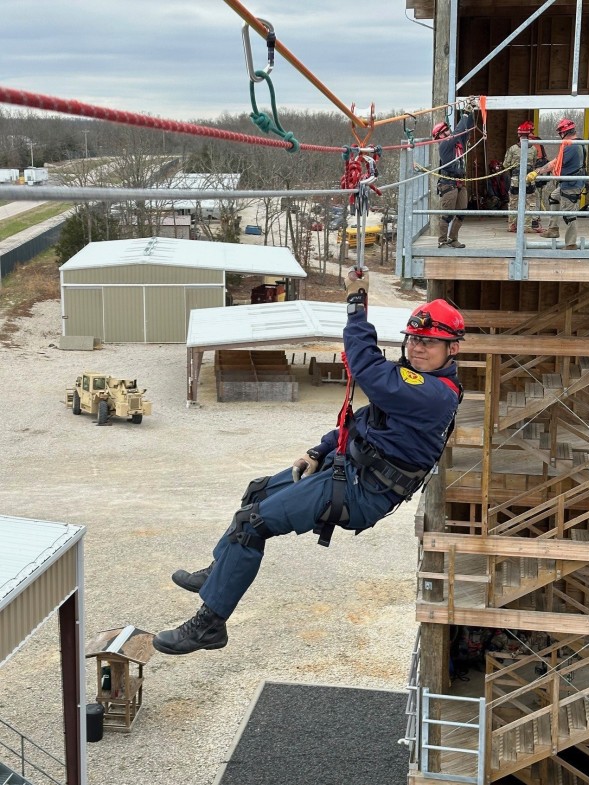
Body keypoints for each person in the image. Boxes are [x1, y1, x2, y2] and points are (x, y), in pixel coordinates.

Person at [152, 274, 465, 656]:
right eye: (415, 339)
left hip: (362, 490)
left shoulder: (432, 394)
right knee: (258, 491)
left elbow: (365, 367)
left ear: (452, 349)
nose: (418, 347)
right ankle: (219, 573)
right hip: (347, 467)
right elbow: (364, 421)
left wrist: (356, 305)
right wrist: (318, 451)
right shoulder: (411, 383)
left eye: (430, 342)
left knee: (252, 526)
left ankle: (209, 626)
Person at [533, 118, 586, 250]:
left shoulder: (571, 147)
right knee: (554, 197)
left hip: (571, 184)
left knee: (569, 214)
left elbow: (556, 163)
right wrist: (538, 171)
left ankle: (571, 244)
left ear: (564, 132)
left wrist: (538, 172)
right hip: (568, 182)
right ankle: (553, 229)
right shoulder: (575, 144)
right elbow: (556, 161)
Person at [432, 98, 478, 249]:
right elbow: (458, 132)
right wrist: (465, 114)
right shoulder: (444, 145)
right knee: (447, 214)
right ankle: (442, 240)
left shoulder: (457, 144)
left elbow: (465, 130)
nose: (448, 131)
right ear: (440, 135)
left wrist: (471, 113)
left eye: (447, 129)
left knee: (462, 212)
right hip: (448, 183)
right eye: (445, 131)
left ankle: (453, 238)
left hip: (459, 182)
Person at [502, 121, 539, 233]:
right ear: (529, 134)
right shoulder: (533, 149)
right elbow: (534, 164)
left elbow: (505, 165)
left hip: (515, 180)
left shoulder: (512, 149)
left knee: (513, 202)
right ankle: (526, 226)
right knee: (530, 203)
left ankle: (512, 225)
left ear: (518, 135)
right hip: (529, 179)